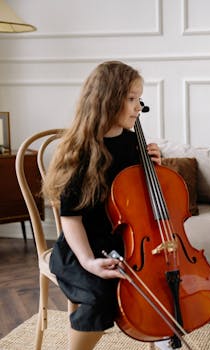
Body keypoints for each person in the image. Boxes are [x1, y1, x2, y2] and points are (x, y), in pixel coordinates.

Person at [43, 61, 161, 350]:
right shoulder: (79, 153)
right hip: (79, 245)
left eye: (139, 99)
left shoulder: (135, 145)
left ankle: (161, 336)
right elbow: (71, 219)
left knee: (158, 279)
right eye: (131, 99)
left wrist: (154, 170)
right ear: (107, 100)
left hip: (122, 241)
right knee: (100, 296)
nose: (138, 107)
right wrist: (88, 262)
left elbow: (138, 205)